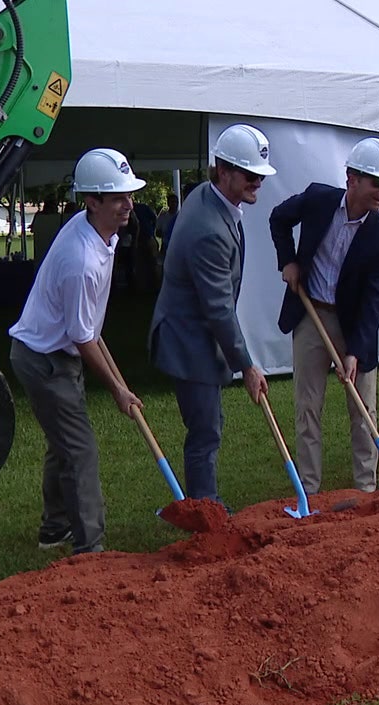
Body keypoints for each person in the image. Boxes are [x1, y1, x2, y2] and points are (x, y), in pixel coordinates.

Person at [8, 148, 145, 554]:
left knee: (63, 441)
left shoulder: (99, 232)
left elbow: (89, 331)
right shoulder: (80, 259)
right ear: (91, 201)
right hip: (42, 359)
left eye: (129, 194)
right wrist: (118, 391)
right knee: (80, 449)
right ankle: (92, 550)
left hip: (54, 350)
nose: (129, 204)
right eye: (118, 197)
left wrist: (121, 381)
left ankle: (54, 528)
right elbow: (84, 338)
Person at [149, 123, 273, 504]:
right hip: (188, 340)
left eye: (260, 175)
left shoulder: (208, 197)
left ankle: (204, 508)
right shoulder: (208, 230)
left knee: (209, 427)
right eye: (250, 175)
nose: (258, 183)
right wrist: (247, 366)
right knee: (205, 433)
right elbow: (218, 308)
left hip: (196, 333)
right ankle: (206, 516)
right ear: (223, 170)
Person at [268, 137, 379, 494]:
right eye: (377, 182)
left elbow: (375, 301)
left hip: (355, 325)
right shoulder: (318, 200)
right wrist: (288, 261)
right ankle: (309, 490)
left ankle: (365, 489)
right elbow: (278, 219)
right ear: (352, 179)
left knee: (363, 411)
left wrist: (354, 351)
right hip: (312, 314)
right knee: (308, 406)